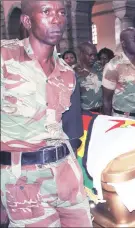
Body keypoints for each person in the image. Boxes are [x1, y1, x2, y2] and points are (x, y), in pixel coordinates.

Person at [0, 0, 92, 226]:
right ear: (27, 21)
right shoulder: (5, 57)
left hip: (66, 176)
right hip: (23, 181)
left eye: (61, 12)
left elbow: (72, 133)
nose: (57, 19)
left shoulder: (67, 73)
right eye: (47, 12)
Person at [74, 42, 103, 113]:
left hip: (101, 112)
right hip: (84, 114)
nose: (93, 58)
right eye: (90, 55)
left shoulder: (100, 68)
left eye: (95, 55)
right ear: (81, 54)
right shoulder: (73, 72)